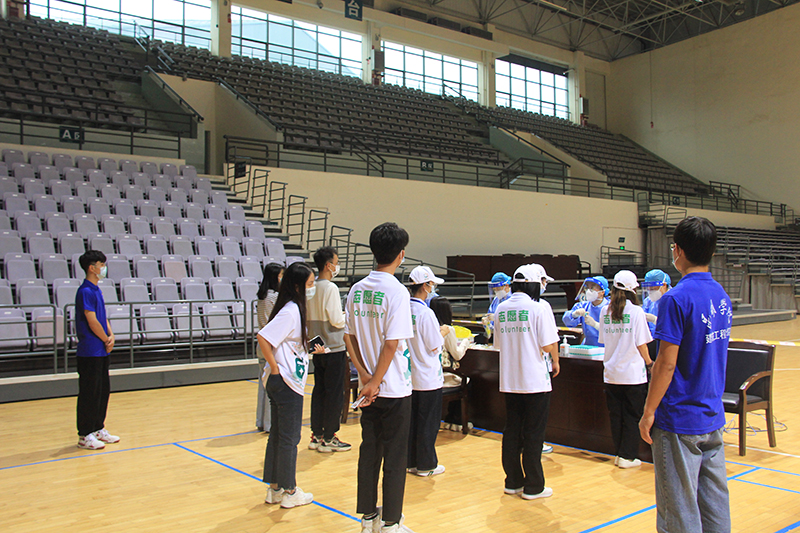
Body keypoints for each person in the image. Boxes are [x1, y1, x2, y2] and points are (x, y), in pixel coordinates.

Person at [639, 217, 733, 533]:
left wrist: (649, 411)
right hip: (712, 414)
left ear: (677, 250)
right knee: (714, 503)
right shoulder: (721, 295)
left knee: (678, 510)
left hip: (679, 418)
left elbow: (666, 364)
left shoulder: (675, 299)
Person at [344, 222, 414, 533]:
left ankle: (368, 518)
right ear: (401, 255)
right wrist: (375, 381)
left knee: (370, 452)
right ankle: (390, 523)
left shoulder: (357, 289)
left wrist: (364, 375)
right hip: (392, 388)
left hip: (367, 389)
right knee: (395, 457)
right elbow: (391, 344)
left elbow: (348, 336)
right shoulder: (397, 291)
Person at [493, 264, 560, 501]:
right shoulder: (538, 308)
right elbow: (547, 345)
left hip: (510, 380)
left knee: (512, 430)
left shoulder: (501, 309)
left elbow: (498, 344)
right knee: (533, 433)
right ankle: (534, 486)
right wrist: (554, 358)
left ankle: (512, 481)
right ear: (533, 284)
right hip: (535, 381)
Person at [259, 261, 316, 509]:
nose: (313, 288)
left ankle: (275, 488)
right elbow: (264, 337)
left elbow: (290, 344)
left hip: (285, 379)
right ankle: (290, 491)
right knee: (289, 437)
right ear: (298, 286)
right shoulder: (291, 310)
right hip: (285, 381)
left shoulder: (293, 309)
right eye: (310, 284)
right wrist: (275, 368)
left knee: (278, 435)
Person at [598, 270, 653, 469]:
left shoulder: (605, 311)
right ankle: (627, 456)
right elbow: (641, 343)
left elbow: (604, 340)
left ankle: (619, 453)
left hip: (611, 373)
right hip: (632, 374)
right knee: (632, 416)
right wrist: (649, 363)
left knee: (616, 416)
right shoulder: (636, 312)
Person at [308, 246, 351, 453]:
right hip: (333, 346)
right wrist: (347, 317)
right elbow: (336, 320)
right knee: (334, 393)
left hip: (316, 345)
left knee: (319, 390)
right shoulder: (330, 288)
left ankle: (316, 434)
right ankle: (329, 437)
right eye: (336, 262)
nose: (337, 266)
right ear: (328, 265)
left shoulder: (310, 287)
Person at [75, 250, 118, 450]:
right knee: (89, 393)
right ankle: (85, 434)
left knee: (102, 391)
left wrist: (111, 335)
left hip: (101, 350)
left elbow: (102, 317)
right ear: (92, 268)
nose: (104, 268)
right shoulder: (85, 291)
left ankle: (98, 428)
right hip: (89, 351)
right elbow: (91, 320)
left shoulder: (97, 290)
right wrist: (104, 338)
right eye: (101, 264)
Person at [406, 265, 446, 477]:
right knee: (428, 423)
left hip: (409, 376)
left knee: (412, 422)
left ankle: (411, 461)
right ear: (425, 286)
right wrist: (443, 333)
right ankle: (426, 464)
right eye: (431, 284)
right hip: (428, 377)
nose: (432, 288)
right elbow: (434, 345)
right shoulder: (426, 313)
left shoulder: (404, 310)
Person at [430, 296, 472, 431]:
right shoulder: (447, 329)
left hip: (432, 374)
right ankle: (458, 421)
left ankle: (449, 418)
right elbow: (457, 354)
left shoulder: (429, 326)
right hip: (445, 375)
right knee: (466, 382)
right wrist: (466, 342)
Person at [255, 262, 283, 433]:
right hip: (270, 344)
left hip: (261, 344)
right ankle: (269, 423)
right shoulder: (273, 297)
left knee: (263, 384)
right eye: (281, 276)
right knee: (271, 386)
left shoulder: (262, 296)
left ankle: (261, 421)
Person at [562, 276, 609, 346]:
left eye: (592, 288)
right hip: (588, 346)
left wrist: (595, 324)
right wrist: (574, 315)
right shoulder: (583, 306)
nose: (589, 291)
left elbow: (614, 330)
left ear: (602, 292)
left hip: (606, 346)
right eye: (587, 288)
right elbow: (567, 322)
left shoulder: (610, 307)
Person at [641, 269, 671, 361]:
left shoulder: (673, 300)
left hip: (669, 342)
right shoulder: (648, 301)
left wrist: (655, 320)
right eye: (648, 289)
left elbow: (674, 326)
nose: (650, 292)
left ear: (664, 285)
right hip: (652, 342)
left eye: (653, 289)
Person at [481, 272, 512, 338]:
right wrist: (487, 323)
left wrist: (497, 318)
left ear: (506, 286)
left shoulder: (514, 299)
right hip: (497, 336)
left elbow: (515, 319)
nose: (496, 292)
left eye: (498, 289)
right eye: (494, 290)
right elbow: (490, 316)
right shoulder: (496, 300)